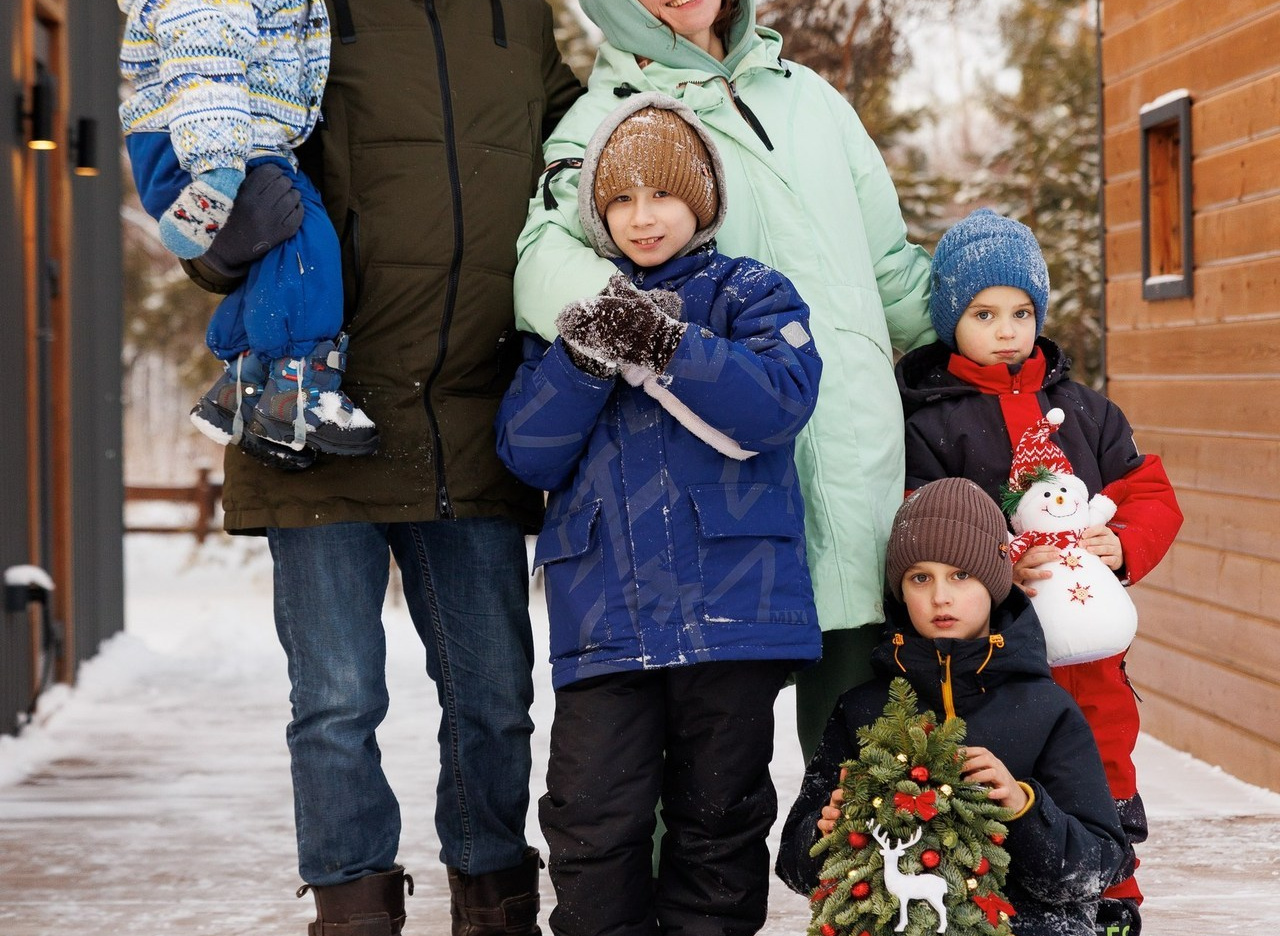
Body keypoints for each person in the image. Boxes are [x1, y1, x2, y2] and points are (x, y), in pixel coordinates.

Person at [184, 0, 581, 933]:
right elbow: (213, 151)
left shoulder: (520, 19)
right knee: (336, 701)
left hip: (472, 416)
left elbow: (589, 166)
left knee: (495, 699)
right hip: (321, 408)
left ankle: (491, 899)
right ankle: (351, 906)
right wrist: (221, 232)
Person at [513, 0, 935, 756]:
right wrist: (635, 329)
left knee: (860, 727)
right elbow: (542, 262)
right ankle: (671, 900)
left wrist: (981, 355)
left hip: (848, 445)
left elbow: (891, 268)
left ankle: (856, 895)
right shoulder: (602, 121)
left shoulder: (812, 100)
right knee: (696, 748)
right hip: (704, 470)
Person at [496, 92, 823, 935]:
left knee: (718, 819)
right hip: (605, 616)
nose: (643, 219)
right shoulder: (572, 318)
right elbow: (527, 453)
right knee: (590, 814)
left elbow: (776, 406)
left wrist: (667, 346)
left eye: (663, 195)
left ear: (703, 199)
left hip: (732, 610)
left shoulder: (751, 295)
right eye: (621, 201)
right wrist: (582, 359)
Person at [895, 207, 1183, 936]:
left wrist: (1125, 540)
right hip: (1000, 656)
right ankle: (1008, 898)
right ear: (948, 319)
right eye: (984, 312)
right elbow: (919, 518)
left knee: (1106, 758)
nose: (1006, 330)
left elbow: (1149, 489)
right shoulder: (930, 420)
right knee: (1011, 763)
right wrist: (996, 563)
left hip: (1092, 652)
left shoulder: (1085, 411)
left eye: (1022, 311)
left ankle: (1113, 893)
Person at [109, 0, 377, 467]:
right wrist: (221, 173)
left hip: (233, 139)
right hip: (204, 142)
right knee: (306, 243)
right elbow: (209, 75)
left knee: (294, 243)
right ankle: (295, 387)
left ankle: (243, 381)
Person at [776, 478, 1132, 936]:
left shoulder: (1046, 710)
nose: (940, 597)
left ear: (995, 581)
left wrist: (1022, 805)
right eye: (920, 578)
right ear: (900, 591)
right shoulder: (862, 710)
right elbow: (794, 868)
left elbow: (1097, 869)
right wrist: (824, 833)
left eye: (961, 575)